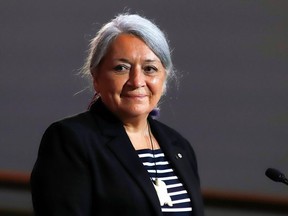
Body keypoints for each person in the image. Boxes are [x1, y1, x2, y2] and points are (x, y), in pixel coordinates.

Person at [30, 13, 204, 216]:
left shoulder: (179, 145)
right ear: (96, 77)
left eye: (150, 68)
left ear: (164, 79)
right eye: (121, 68)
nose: (137, 81)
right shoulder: (70, 140)